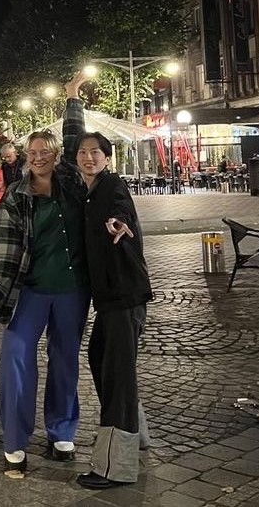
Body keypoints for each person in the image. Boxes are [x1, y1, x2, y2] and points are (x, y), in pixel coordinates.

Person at [0, 73, 91, 479]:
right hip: (30, 290)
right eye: (32, 151)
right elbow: (5, 249)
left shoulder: (72, 182)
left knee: (65, 359)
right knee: (15, 358)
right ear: (26, 156)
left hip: (72, 289)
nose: (38, 157)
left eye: (45, 151)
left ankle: (62, 431)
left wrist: (72, 99)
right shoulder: (17, 194)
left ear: (56, 155)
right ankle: (15, 439)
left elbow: (76, 140)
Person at [71, 130, 153, 490]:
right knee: (99, 357)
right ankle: (136, 434)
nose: (88, 157)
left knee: (117, 376)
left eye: (95, 152)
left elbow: (120, 210)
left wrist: (119, 223)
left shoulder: (113, 186)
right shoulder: (86, 191)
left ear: (107, 157)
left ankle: (115, 467)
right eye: (82, 152)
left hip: (124, 294)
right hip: (109, 298)